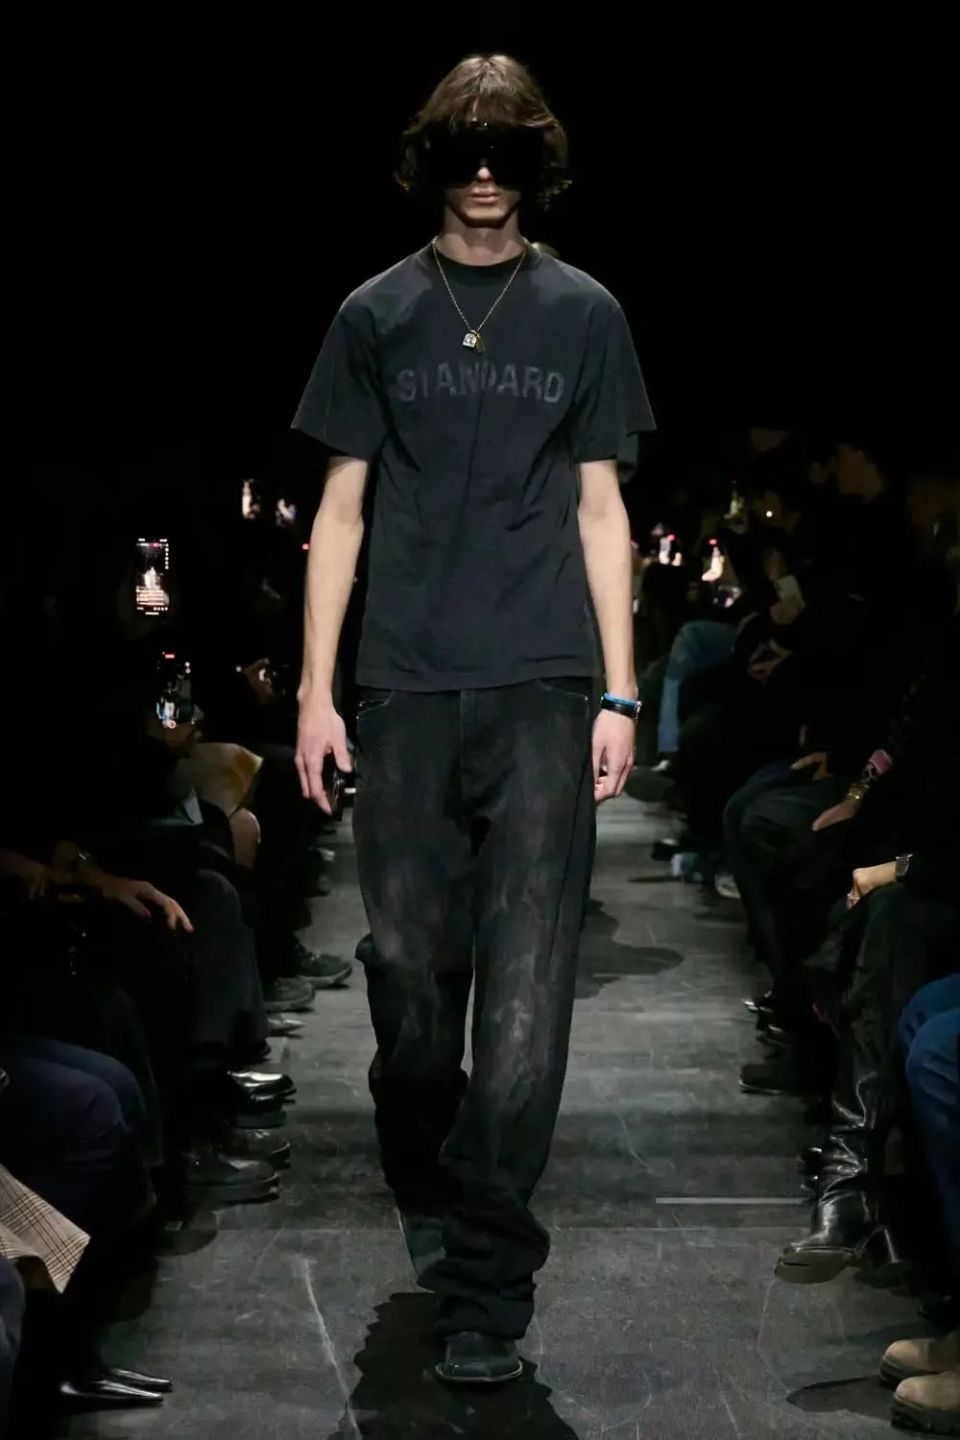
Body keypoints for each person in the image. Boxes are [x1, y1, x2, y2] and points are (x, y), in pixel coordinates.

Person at [293, 53, 653, 1383]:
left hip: (545, 685)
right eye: (465, 147)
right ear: (432, 158)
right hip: (402, 685)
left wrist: (620, 687)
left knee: (528, 997)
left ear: (539, 162)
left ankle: (487, 1284)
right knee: (406, 975)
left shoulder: (586, 311)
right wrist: (316, 689)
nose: (487, 169)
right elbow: (339, 510)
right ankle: (430, 1147)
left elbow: (604, 508)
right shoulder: (375, 312)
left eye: (509, 148)